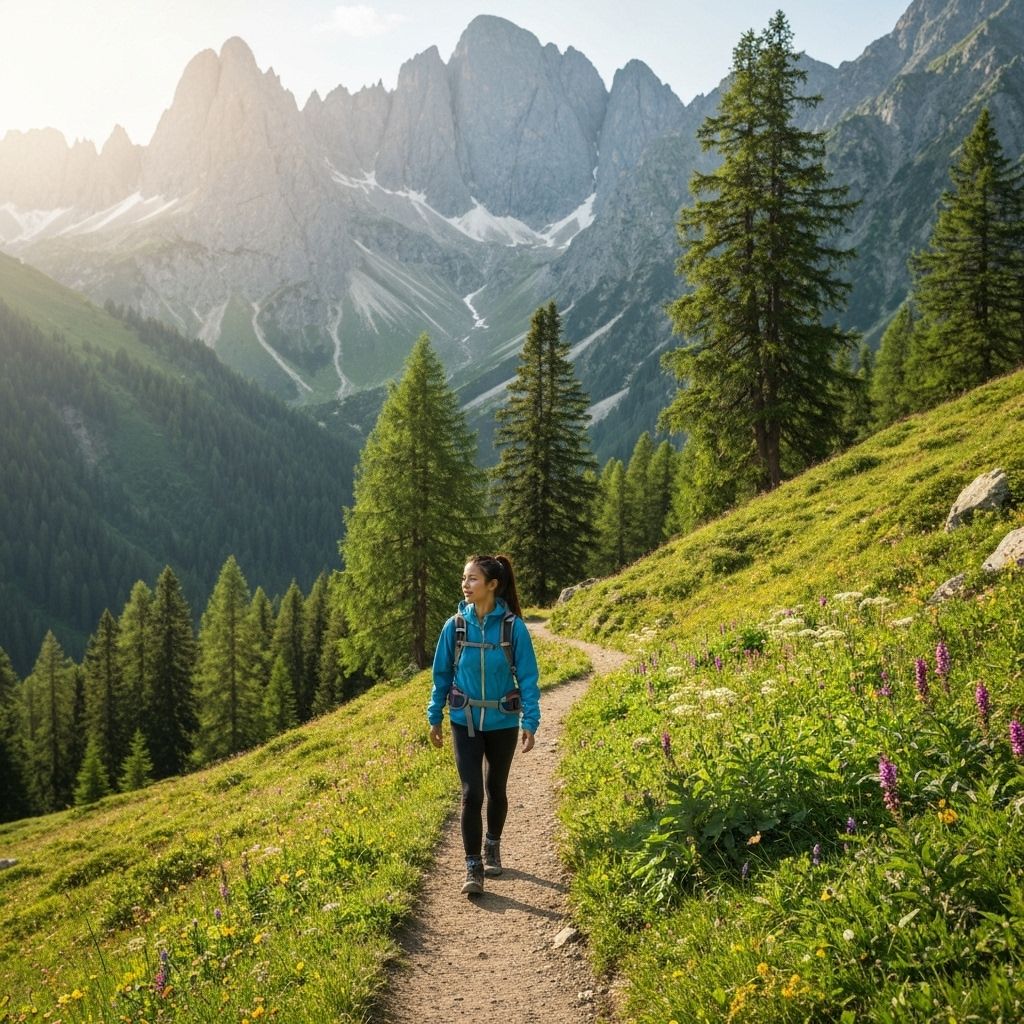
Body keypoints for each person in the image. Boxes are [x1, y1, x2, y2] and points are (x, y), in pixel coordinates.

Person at [428, 554, 541, 896]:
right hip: (463, 720)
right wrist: (435, 715)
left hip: (502, 720)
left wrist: (530, 721)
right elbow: (441, 674)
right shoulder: (455, 626)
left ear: (493, 585)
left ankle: (493, 843)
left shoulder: (513, 627)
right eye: (465, 578)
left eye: (473, 579)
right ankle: (473, 866)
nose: (466, 584)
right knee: (471, 793)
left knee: (497, 789)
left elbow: (528, 677)